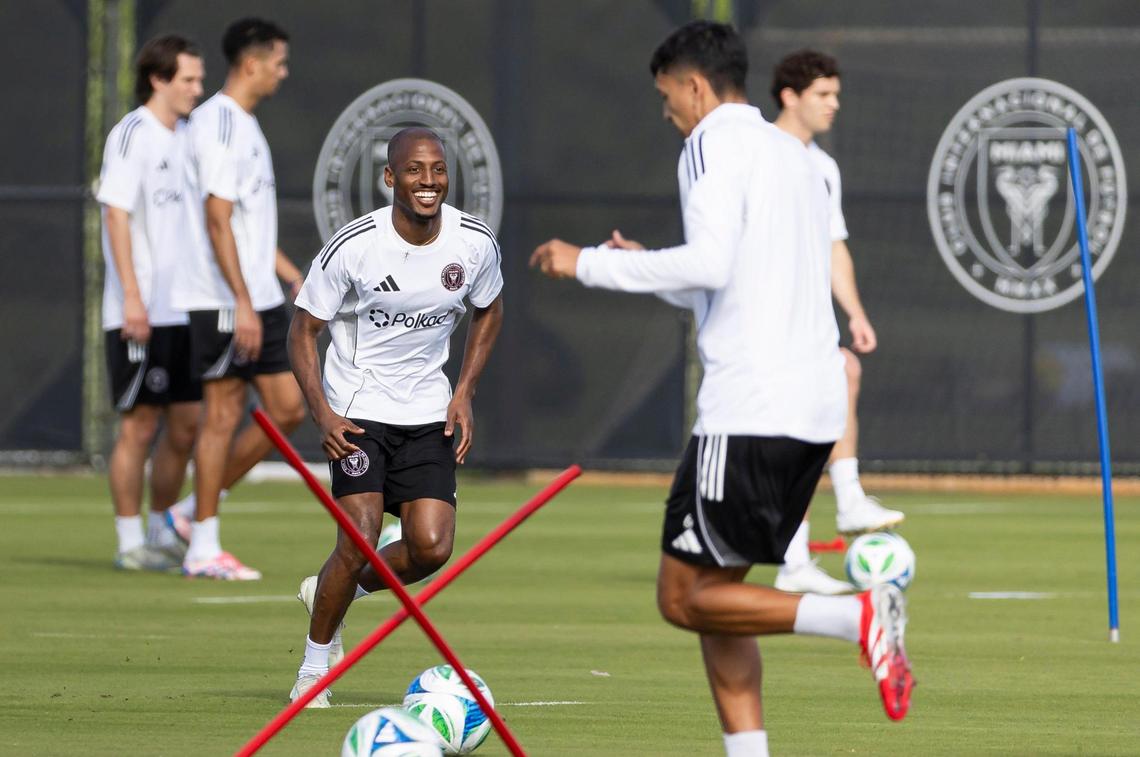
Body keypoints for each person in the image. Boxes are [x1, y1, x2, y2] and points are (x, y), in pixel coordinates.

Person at [529, 21, 912, 755]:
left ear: (694, 85)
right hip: (812, 409)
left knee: (682, 597)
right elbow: (736, 283)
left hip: (749, 409)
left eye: (666, 93)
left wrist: (585, 263)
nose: (666, 109)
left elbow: (706, 264)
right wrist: (646, 264)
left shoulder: (708, 143)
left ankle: (858, 618)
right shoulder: (796, 157)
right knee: (719, 603)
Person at [286, 127, 504, 707]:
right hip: (357, 411)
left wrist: (464, 393)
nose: (427, 182)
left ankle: (336, 593)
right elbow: (302, 330)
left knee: (431, 547)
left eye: (437, 170)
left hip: (427, 411)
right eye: (414, 171)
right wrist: (323, 413)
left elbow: (489, 310)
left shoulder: (474, 242)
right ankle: (312, 670)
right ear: (390, 178)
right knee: (358, 537)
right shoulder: (354, 246)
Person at [170, 17, 305, 579]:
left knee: (288, 408)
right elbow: (217, 219)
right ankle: (203, 546)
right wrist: (243, 302)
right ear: (251, 63)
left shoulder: (243, 125)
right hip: (227, 303)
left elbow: (247, 225)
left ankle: (191, 511)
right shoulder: (220, 125)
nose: (284, 71)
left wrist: (291, 276)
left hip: (258, 296)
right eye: (278, 61)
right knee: (222, 414)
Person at [770, 50, 905, 595]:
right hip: (760, 322)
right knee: (798, 426)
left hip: (807, 322)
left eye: (836, 95)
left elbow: (833, 245)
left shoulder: (824, 167)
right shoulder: (759, 152)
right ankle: (811, 536)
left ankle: (812, 541)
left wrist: (855, 312)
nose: (834, 105)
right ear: (790, 96)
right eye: (823, 95)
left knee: (839, 378)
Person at [97, 35, 205, 571]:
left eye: (199, 79)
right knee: (139, 425)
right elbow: (116, 215)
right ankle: (128, 541)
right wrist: (133, 299)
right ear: (159, 79)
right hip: (138, 311)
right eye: (187, 79)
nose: (197, 89)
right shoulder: (131, 134)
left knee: (186, 423)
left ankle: (163, 528)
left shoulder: (191, 137)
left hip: (187, 309)